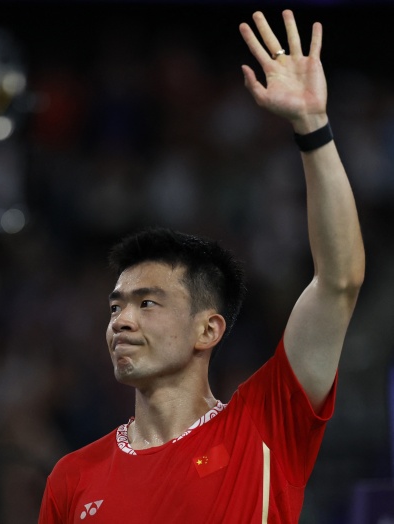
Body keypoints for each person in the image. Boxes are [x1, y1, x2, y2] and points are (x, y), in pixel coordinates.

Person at [38, 9, 365, 523]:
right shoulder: (72, 477)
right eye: (116, 306)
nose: (121, 321)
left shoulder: (264, 427)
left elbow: (339, 283)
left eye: (147, 303)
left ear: (207, 329)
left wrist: (312, 127)